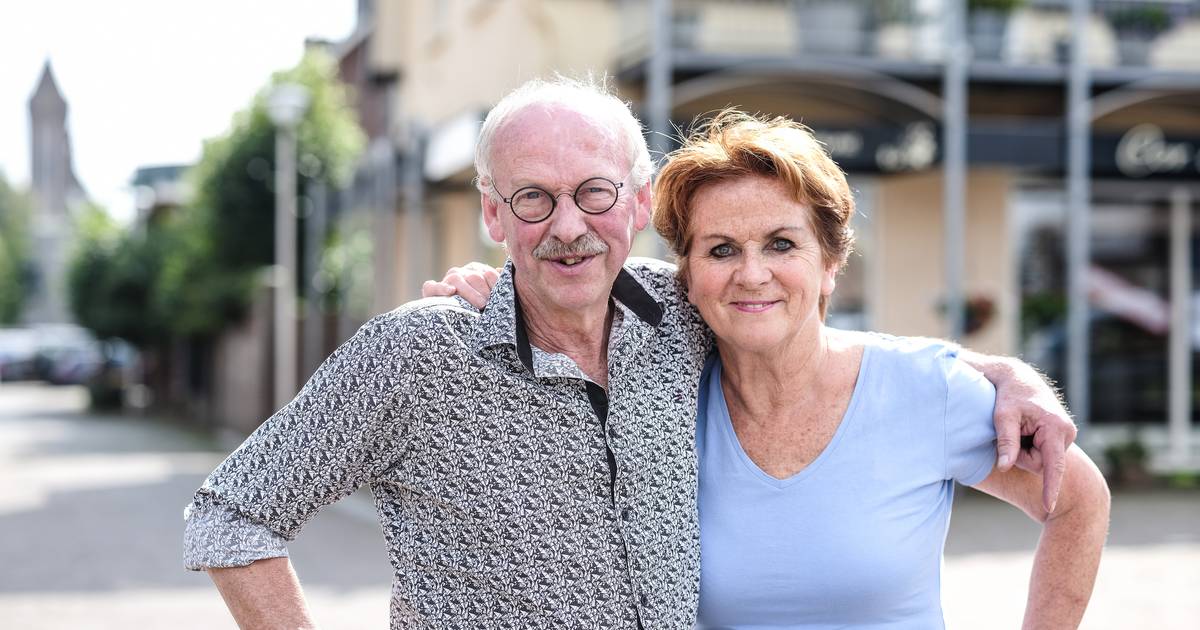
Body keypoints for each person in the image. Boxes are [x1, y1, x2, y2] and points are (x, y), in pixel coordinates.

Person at [186, 78, 1077, 630]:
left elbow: (800, 324)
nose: (567, 227)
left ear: (638, 202)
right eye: (532, 200)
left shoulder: (678, 316)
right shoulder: (418, 353)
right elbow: (228, 516)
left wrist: (1003, 374)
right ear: (493, 214)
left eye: (593, 192)